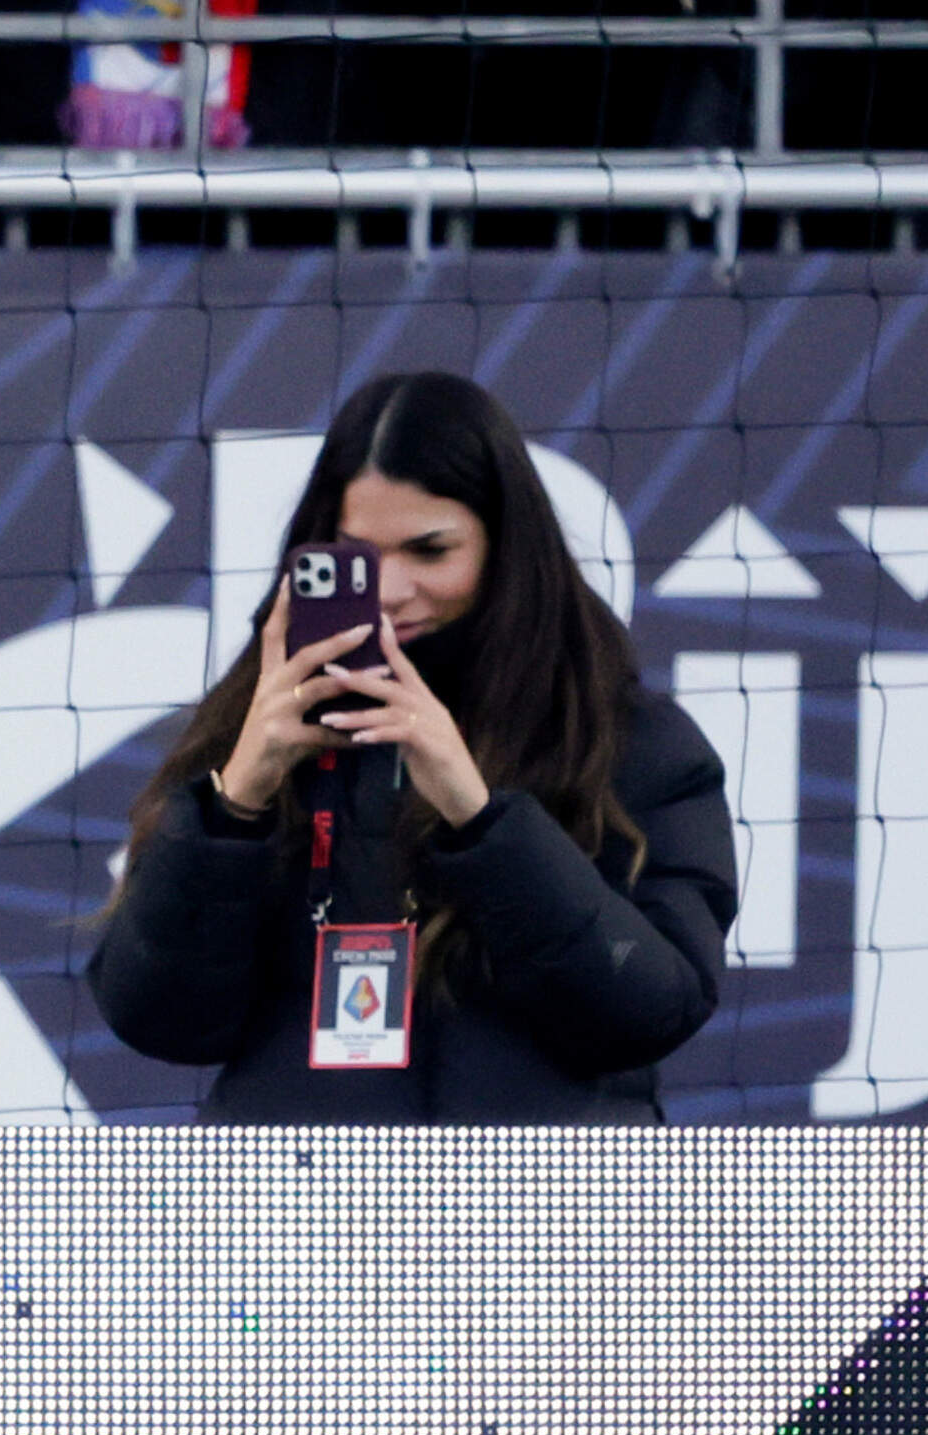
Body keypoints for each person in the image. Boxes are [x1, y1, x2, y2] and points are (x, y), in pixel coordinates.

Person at [87, 370, 737, 1122]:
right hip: (296, 1220)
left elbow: (652, 1009)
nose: (391, 590)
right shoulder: (258, 731)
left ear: (506, 552)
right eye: (360, 556)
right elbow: (155, 1018)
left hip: (546, 1221)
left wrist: (480, 814)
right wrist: (236, 804)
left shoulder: (632, 745)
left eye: (430, 551)